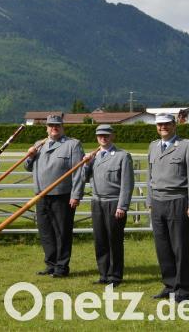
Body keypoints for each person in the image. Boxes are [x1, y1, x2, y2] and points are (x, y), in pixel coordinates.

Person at [147, 113, 189, 302]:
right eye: (160, 124)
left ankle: (182, 289)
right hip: (157, 202)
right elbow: (150, 177)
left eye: (167, 124)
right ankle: (169, 285)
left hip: (178, 202)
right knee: (162, 247)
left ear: (174, 125)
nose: (163, 127)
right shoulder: (153, 146)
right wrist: (149, 202)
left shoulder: (186, 146)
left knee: (180, 247)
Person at [25, 114, 85, 278]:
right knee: (46, 232)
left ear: (62, 127)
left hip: (62, 195)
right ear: (47, 128)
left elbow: (79, 172)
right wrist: (29, 156)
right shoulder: (39, 145)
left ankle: (61, 267)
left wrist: (76, 195)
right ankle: (50, 264)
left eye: (57, 125)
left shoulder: (73, 145)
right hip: (41, 195)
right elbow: (28, 167)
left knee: (62, 232)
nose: (54, 128)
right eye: (51, 125)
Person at [82, 124, 133, 287]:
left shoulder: (122, 156)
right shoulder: (94, 156)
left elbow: (127, 184)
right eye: (100, 135)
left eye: (106, 135)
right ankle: (103, 274)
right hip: (97, 202)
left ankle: (115, 276)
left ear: (113, 136)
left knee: (114, 240)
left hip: (113, 202)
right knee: (100, 239)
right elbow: (83, 178)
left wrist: (122, 206)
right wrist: (85, 164)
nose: (103, 138)